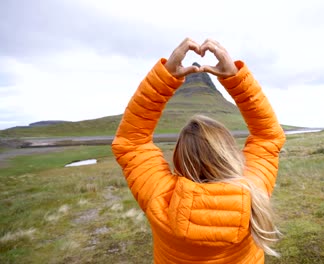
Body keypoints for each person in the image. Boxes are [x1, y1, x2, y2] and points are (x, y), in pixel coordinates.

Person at [112, 38, 286, 263]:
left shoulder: (161, 198)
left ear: (180, 158)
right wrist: (234, 76)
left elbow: (130, 142)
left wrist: (164, 78)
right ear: (229, 152)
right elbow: (268, 135)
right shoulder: (253, 191)